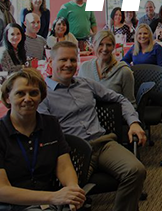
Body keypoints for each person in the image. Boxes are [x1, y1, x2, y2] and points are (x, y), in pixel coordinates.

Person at [38, 41, 146, 211]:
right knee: (71, 195)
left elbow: (120, 99)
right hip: (73, 153)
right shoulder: (42, 95)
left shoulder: (85, 83)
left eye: (73, 60)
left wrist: (133, 122)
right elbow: (45, 134)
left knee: (136, 171)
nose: (69, 64)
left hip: (102, 143)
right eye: (63, 60)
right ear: (51, 62)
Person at [0, 68, 87, 210]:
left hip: (47, 204)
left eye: (34, 93)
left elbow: (64, 166)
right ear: (7, 97)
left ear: (41, 97)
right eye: (20, 93)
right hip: (12, 205)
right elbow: (2, 190)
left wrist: (72, 190)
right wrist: (53, 197)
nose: (28, 99)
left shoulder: (51, 124)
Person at [79, 31, 136, 105]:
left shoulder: (124, 72)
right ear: (94, 45)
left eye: (108, 45)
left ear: (113, 47)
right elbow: (78, 98)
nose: (105, 49)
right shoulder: (84, 68)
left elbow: (130, 105)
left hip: (115, 112)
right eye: (100, 44)